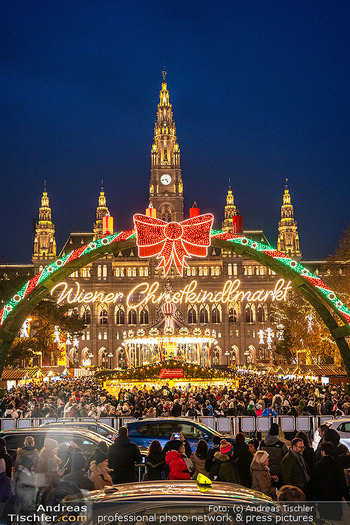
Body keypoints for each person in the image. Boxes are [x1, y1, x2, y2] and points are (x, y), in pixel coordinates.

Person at [313, 441, 350, 520]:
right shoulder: (337, 465)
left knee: (325, 520)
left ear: (323, 452)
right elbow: (342, 483)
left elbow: (315, 485)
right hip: (335, 501)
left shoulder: (317, 466)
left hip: (323, 501)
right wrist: (347, 498)